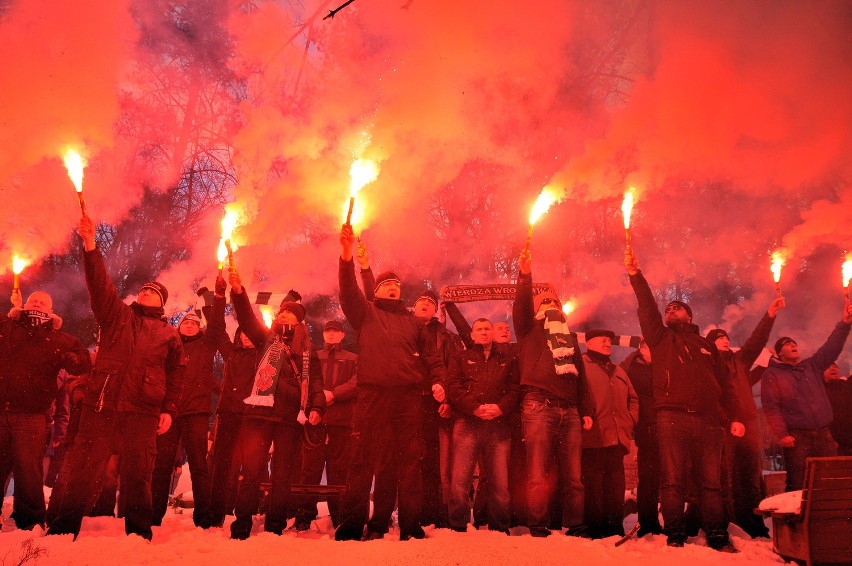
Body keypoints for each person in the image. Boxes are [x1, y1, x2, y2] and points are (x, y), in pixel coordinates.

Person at [47, 215, 184, 540]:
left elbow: (176, 375)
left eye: (154, 293)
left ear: (162, 302)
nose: (147, 294)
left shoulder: (169, 335)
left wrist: (169, 409)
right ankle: (64, 530)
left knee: (139, 476)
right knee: (83, 471)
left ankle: (138, 534)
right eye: (145, 290)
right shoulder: (116, 316)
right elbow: (100, 285)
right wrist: (91, 247)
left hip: (142, 412)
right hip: (102, 407)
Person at [625, 246, 743, 552]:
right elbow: (647, 307)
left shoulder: (706, 345)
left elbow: (725, 386)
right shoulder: (660, 339)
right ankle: (675, 534)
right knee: (673, 481)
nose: (670, 311)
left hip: (707, 419)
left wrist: (735, 417)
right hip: (672, 416)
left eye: (677, 308)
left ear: (689, 315)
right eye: (668, 309)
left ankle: (717, 535)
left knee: (711, 483)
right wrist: (636, 275)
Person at [334, 225, 447, 541]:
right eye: (387, 284)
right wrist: (347, 257)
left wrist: (439, 381)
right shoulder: (365, 314)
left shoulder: (413, 322)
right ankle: (353, 523)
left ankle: (410, 525)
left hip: (407, 400)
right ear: (377, 291)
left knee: (410, 462)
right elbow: (348, 291)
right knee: (361, 460)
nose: (394, 287)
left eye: (397, 285)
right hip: (372, 396)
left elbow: (432, 358)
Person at [227, 269, 325, 539]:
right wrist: (238, 291)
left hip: (289, 416)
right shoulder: (264, 339)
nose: (283, 315)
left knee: (282, 476)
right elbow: (246, 318)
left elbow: (315, 382)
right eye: (281, 312)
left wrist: (316, 408)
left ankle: (275, 526)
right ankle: (242, 525)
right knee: (252, 472)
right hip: (258, 414)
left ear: (299, 320)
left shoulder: (307, 349)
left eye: (289, 313)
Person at [513, 249, 592, 538]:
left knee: (574, 476)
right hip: (538, 404)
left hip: (569, 409)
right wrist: (524, 276)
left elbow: (580, 377)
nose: (549, 304)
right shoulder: (527, 328)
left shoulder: (568, 338)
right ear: (536, 309)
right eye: (543, 301)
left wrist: (587, 412)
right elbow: (520, 305)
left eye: (553, 301)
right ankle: (538, 523)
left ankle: (575, 523)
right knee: (537, 470)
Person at [0, 290, 90, 531]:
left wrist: (73, 359)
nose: (37, 304)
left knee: (28, 469)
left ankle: (29, 521)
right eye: (33, 301)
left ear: (51, 312)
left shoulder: (57, 338)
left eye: (43, 303)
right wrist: (11, 316)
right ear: (24, 304)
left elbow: (83, 361)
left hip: (32, 415)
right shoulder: (8, 327)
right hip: (1, 411)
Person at [151, 276, 229, 529]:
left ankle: (204, 518)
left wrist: (217, 298)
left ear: (199, 329)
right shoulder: (168, 344)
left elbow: (216, 325)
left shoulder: (206, 346)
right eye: (186, 322)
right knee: (161, 465)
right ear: (178, 326)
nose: (190, 325)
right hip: (169, 412)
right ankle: (153, 515)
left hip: (196, 412)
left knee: (199, 466)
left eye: (195, 323)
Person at [705, 296, 783, 539]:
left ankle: (754, 524)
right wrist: (728, 421)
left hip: (748, 424)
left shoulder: (739, 360)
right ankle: (728, 521)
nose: (725, 340)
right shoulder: (706, 365)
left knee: (750, 476)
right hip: (723, 426)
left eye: (727, 337)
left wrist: (770, 314)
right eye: (719, 338)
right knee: (726, 476)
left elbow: (757, 340)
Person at [761, 303, 852, 491]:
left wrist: (844, 323)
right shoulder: (773, 374)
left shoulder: (811, 366)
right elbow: (772, 407)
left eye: (794, 343)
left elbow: (831, 348)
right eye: (787, 344)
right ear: (779, 354)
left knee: (830, 480)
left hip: (823, 435)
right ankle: (796, 520)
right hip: (797, 438)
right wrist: (783, 434)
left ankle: (828, 519)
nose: (793, 345)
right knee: (799, 482)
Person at [446, 318, 520, 533]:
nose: (484, 332)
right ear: (472, 335)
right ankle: (457, 526)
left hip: (498, 425)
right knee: (460, 479)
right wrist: (475, 408)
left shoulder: (508, 358)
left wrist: (500, 408)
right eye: (479, 329)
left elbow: (515, 389)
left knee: (500, 482)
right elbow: (454, 387)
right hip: (467, 422)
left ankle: (499, 528)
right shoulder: (461, 356)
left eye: (487, 328)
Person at [294, 319, 358, 530]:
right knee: (309, 469)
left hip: (341, 421)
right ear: (323, 335)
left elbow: (357, 382)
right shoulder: (313, 357)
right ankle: (304, 516)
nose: (331, 334)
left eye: (335, 331)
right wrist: (316, 401)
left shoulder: (352, 358)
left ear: (342, 335)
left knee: (338, 470)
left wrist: (334, 394)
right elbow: (304, 382)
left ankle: (339, 516)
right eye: (328, 331)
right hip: (315, 420)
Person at [581, 329, 638, 539]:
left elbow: (633, 399)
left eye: (609, 341)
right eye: (602, 340)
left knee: (615, 487)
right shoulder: (581, 367)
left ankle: (614, 529)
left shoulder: (618, 371)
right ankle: (595, 530)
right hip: (592, 438)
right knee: (593, 486)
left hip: (617, 439)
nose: (608, 343)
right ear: (588, 343)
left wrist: (629, 420)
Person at [414, 288, 462, 528]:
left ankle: (435, 514)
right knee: (410, 457)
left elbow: (454, 369)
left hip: (436, 402)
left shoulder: (447, 336)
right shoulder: (404, 330)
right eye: (420, 302)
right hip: (409, 400)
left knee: (437, 460)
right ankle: (409, 512)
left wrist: (448, 400)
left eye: (430, 303)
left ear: (435, 310)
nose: (424, 305)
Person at [620, 339, 661, 537]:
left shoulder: (649, 365)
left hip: (661, 426)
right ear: (643, 349)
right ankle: (648, 522)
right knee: (649, 477)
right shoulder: (635, 369)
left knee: (659, 478)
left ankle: (655, 522)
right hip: (648, 427)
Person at [824, 363, 852, 456]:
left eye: (835, 367)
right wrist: (831, 439)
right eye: (828, 367)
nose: (833, 369)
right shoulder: (820, 390)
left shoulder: (846, 385)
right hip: (832, 438)